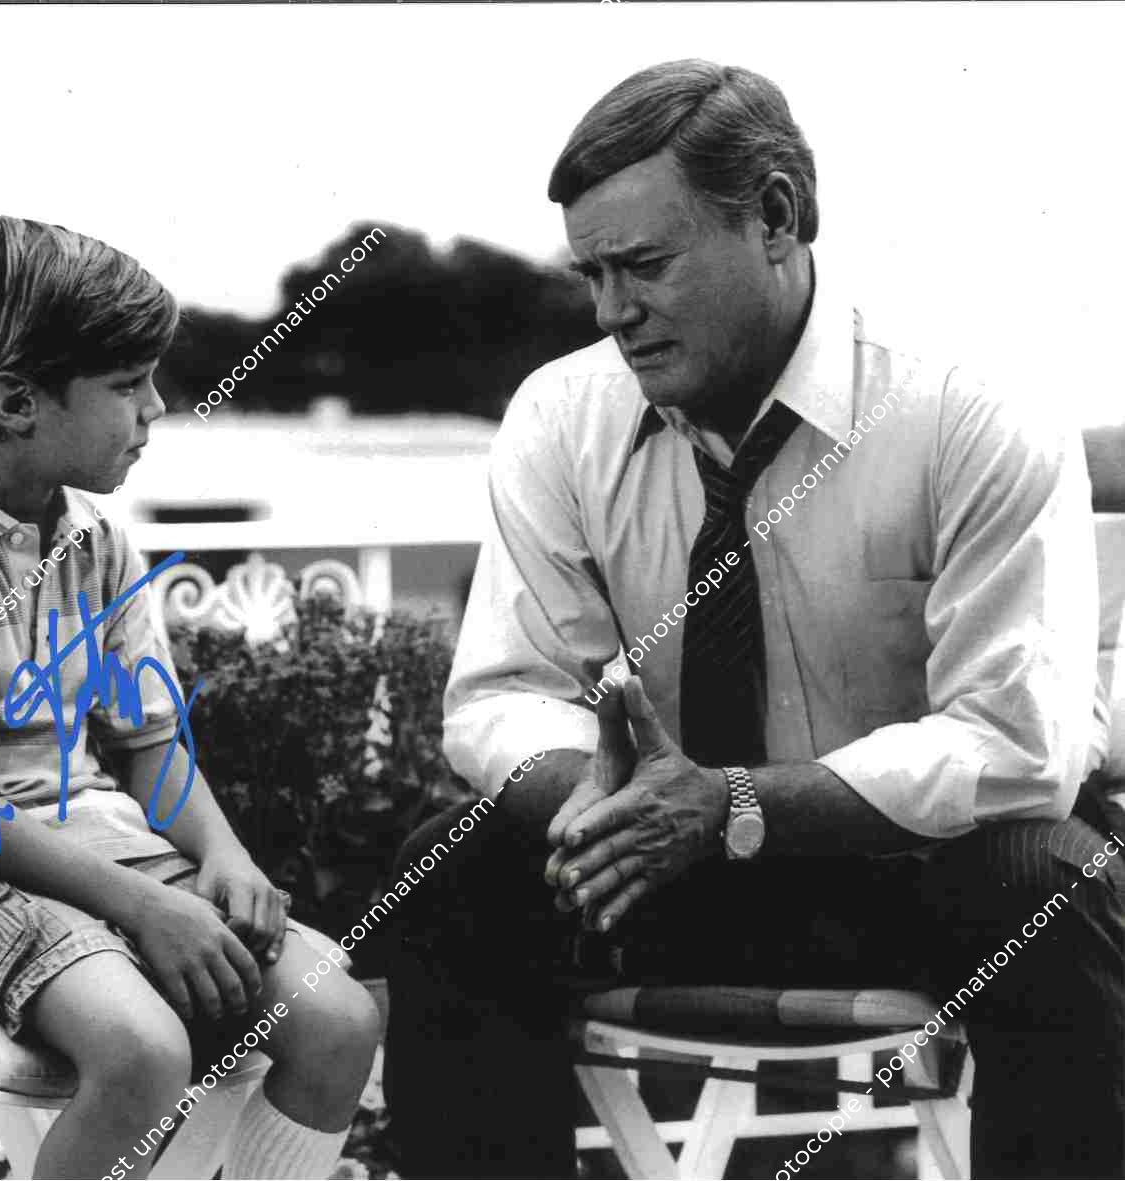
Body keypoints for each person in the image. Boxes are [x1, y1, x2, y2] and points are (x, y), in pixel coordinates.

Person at [383, 60, 1123, 1179]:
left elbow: (1021, 749)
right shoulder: (561, 414)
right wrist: (608, 794)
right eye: (592, 274)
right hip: (659, 864)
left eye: (645, 266)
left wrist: (733, 805)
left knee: (1052, 888)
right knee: (447, 871)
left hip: (915, 872)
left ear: (777, 217)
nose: (612, 312)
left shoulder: (968, 405)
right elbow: (504, 693)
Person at [0, 215, 379, 1180]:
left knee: (336, 1016)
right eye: (127, 384)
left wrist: (225, 855)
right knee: (142, 1051)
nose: (156, 408)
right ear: (17, 401)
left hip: (103, 851)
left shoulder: (97, 543)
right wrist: (149, 909)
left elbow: (150, 742)